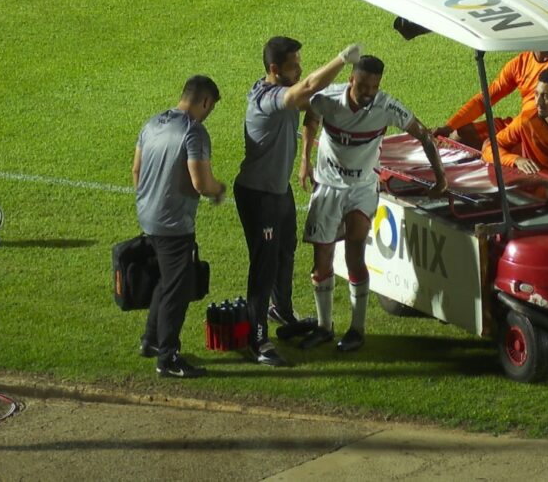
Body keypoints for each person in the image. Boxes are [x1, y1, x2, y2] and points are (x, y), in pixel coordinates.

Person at [298, 55, 447, 351]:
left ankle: (357, 329)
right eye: (363, 85)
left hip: (362, 187)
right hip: (327, 185)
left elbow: (424, 135)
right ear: (351, 79)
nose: (368, 93)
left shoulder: (386, 106)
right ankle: (324, 327)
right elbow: (311, 119)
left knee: (355, 255)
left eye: (374, 87)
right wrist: (304, 158)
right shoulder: (328, 98)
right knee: (321, 262)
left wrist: (440, 177)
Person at [234, 37, 363, 367]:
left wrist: (305, 155)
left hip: (278, 191)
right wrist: (340, 59)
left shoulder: (282, 91)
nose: (300, 69)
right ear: (275, 70)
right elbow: (306, 88)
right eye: (294, 65)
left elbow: (314, 103)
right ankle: (257, 339)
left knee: (286, 249)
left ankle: (281, 310)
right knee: (263, 265)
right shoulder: (268, 98)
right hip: (258, 194)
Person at [133, 75, 226, 379]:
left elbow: (137, 169)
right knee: (178, 288)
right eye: (210, 108)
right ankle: (168, 357)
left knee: (166, 279)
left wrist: (147, 202)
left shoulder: (152, 124)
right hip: (174, 224)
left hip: (148, 216)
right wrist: (219, 190)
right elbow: (201, 183)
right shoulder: (194, 133)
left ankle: (150, 341)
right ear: (205, 102)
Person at [434, 50, 548, 150]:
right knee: (459, 135)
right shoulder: (520, 63)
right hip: (521, 126)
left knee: (496, 149)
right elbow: (484, 99)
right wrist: (450, 126)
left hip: (547, 135)